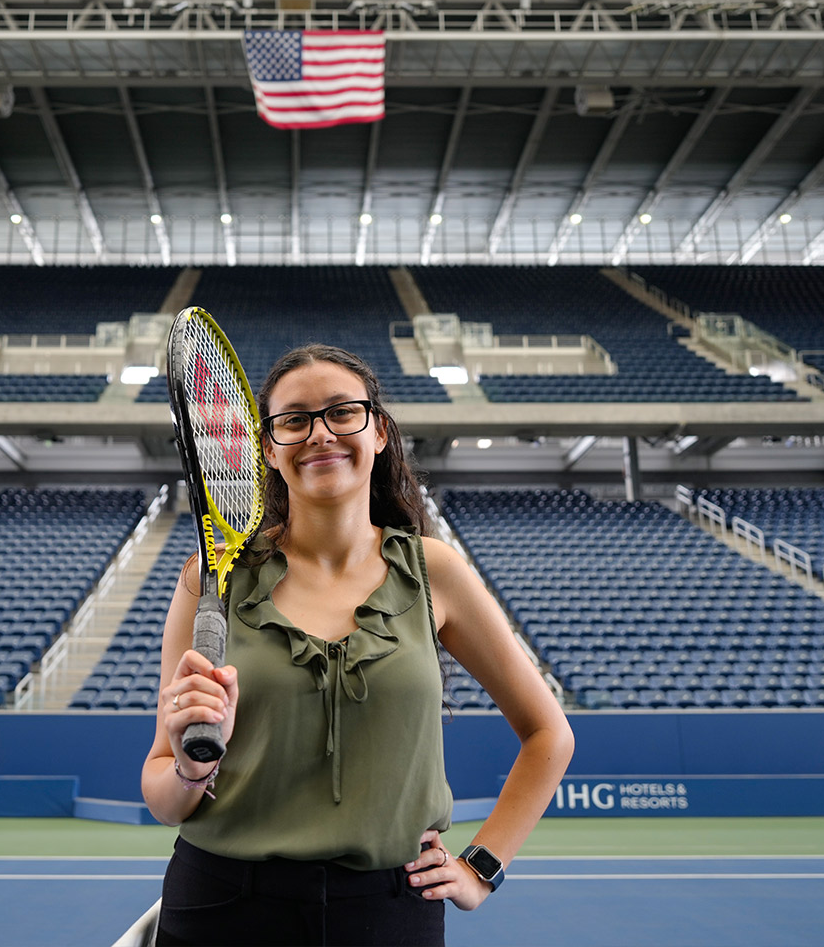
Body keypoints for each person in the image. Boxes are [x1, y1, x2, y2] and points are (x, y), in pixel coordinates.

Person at [142, 344, 574, 946]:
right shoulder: (210, 576)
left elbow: (549, 734)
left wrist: (482, 867)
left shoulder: (435, 572)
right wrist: (190, 770)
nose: (320, 434)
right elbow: (162, 790)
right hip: (222, 905)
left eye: (343, 412)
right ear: (266, 447)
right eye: (294, 420)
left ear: (379, 432)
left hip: (391, 911)